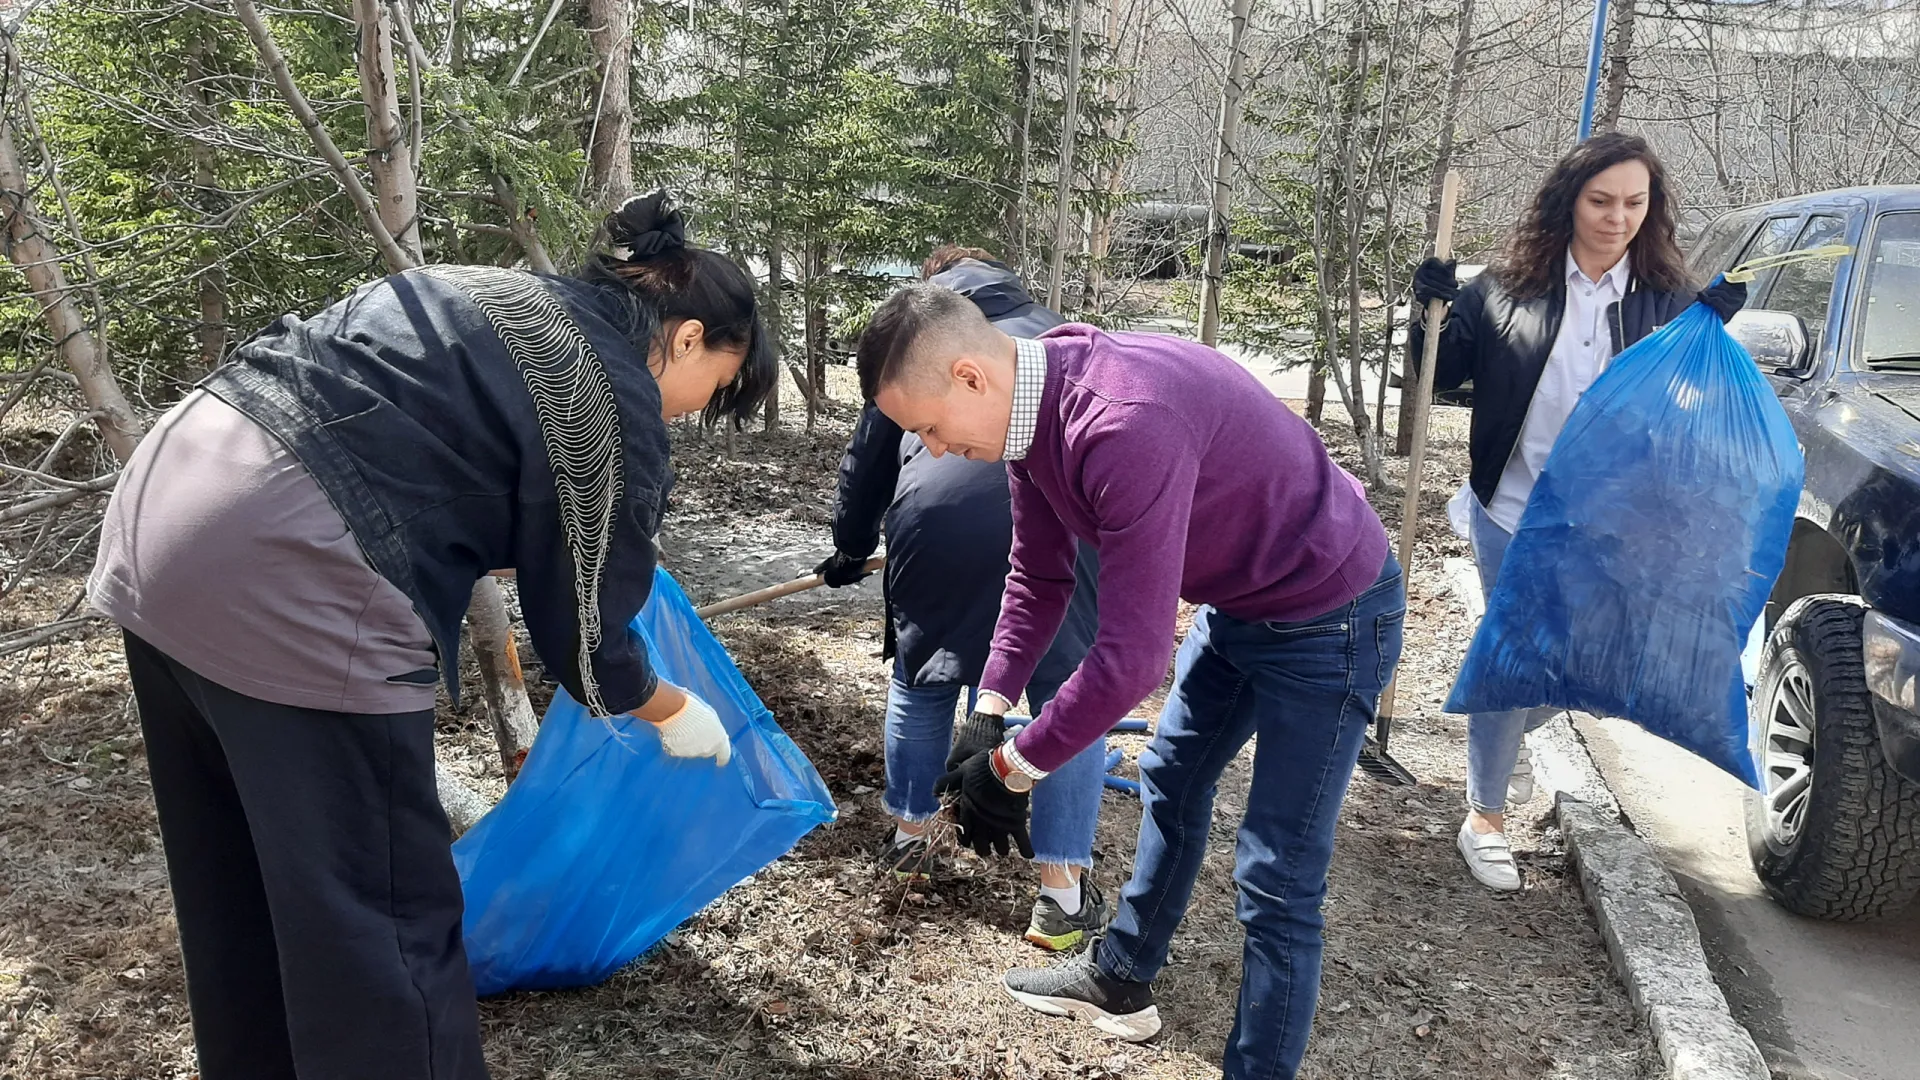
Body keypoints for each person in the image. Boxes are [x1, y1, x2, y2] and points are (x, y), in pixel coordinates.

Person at [86, 192, 774, 1080]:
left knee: (244, 887)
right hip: (288, 571)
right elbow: (590, 644)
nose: (688, 411)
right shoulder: (610, 388)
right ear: (685, 338)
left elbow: (416, 445)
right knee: (384, 930)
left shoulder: (494, 292)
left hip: (168, 511)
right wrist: (671, 706)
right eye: (713, 386)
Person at [856, 285, 1403, 1079]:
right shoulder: (1027, 421)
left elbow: (1132, 657)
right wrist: (992, 707)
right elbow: (1036, 576)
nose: (933, 450)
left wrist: (1014, 768)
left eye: (929, 427)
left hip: (1332, 613)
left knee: (1276, 871)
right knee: (1171, 783)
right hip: (1240, 601)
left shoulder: (1122, 422)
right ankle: (1118, 979)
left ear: (971, 377)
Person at [1408, 132, 1747, 893]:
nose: (1618, 216)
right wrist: (1429, 311)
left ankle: (1497, 732)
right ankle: (1485, 814)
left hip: (1613, 520)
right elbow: (1440, 376)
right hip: (1514, 510)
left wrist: (1713, 338)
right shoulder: (1505, 289)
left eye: (1634, 202)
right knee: (1516, 662)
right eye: (1601, 200)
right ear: (1569, 201)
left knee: (1592, 669)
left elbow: (1692, 411)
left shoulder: (1666, 300)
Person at [815, 245, 1109, 950]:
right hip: (1072, 528)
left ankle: (911, 839)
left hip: (935, 527)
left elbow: (869, 464)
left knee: (922, 678)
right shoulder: (1061, 335)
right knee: (1070, 696)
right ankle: (1060, 897)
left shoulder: (913, 348)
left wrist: (851, 549)